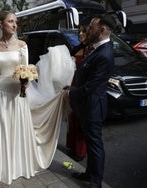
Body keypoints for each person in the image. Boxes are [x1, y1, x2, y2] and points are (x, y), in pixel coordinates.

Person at [0, 10, 75, 186]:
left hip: (18, 93)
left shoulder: (22, 45)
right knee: (2, 131)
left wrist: (26, 82)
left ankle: (19, 165)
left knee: (17, 128)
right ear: (1, 24)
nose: (14, 25)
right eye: (10, 21)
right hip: (0, 93)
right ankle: (4, 169)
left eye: (15, 22)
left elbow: (25, 69)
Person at [63, 14, 117, 188]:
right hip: (86, 106)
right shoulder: (96, 48)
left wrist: (72, 93)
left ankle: (96, 182)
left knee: (95, 146)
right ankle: (89, 173)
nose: (88, 30)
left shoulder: (104, 53)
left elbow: (91, 87)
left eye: (92, 27)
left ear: (101, 30)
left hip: (92, 108)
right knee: (90, 143)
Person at [66, 18, 92, 162]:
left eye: (84, 31)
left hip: (82, 88)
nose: (80, 34)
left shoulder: (92, 50)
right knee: (72, 118)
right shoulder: (76, 48)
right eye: (79, 31)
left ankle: (80, 152)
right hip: (72, 85)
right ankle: (71, 146)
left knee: (81, 120)